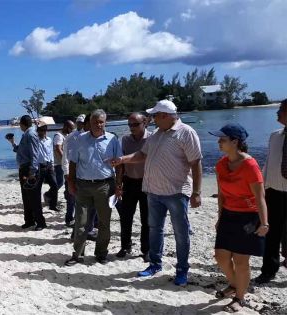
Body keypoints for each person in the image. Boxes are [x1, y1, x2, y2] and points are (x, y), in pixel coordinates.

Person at [111, 99, 202, 286]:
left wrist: (197, 192)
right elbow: (142, 155)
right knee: (155, 230)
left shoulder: (186, 133)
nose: (152, 119)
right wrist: (122, 159)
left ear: (165, 116)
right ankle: (155, 264)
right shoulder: (156, 135)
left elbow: (196, 163)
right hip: (153, 192)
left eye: (154, 116)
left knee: (180, 233)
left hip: (176, 192)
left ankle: (182, 270)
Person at [210, 123, 268, 313]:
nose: (219, 142)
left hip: (248, 218)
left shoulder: (250, 165)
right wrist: (220, 218)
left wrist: (264, 222)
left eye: (223, 139)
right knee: (221, 257)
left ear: (235, 142)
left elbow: (260, 198)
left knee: (241, 261)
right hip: (228, 214)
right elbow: (221, 194)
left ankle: (239, 298)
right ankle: (235, 284)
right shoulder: (221, 164)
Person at [65, 109, 123, 266]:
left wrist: (118, 185)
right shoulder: (80, 139)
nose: (98, 124)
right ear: (89, 123)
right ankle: (77, 255)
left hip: (105, 186)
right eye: (95, 122)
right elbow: (73, 163)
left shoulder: (112, 140)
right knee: (81, 223)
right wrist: (70, 183)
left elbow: (118, 164)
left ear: (105, 122)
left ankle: (101, 253)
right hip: (83, 186)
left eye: (101, 122)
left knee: (104, 223)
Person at [254, 99, 287, 284]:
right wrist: (262, 188)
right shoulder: (275, 136)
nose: (278, 112)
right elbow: (268, 164)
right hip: (274, 191)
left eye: (282, 109)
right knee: (271, 234)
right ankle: (268, 270)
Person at [117, 113, 152, 260]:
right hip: (129, 182)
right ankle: (125, 246)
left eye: (135, 124)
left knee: (147, 219)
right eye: (130, 125)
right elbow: (121, 164)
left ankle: (146, 249)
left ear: (144, 123)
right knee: (126, 217)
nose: (132, 128)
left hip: (147, 183)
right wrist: (118, 183)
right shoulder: (125, 140)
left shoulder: (152, 138)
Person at [7, 115, 46, 230]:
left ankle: (40, 222)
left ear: (22, 124)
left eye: (19, 124)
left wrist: (32, 172)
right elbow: (22, 151)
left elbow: (35, 154)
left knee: (34, 197)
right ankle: (29, 221)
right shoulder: (27, 134)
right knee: (26, 196)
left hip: (29, 169)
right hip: (25, 168)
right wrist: (13, 143)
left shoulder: (31, 134)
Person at [62, 115, 85, 227]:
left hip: (84, 173)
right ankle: (69, 218)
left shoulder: (88, 136)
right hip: (72, 172)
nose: (81, 124)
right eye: (79, 122)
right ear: (77, 123)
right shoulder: (71, 137)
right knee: (71, 197)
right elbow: (65, 156)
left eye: (83, 122)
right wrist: (66, 172)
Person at [37, 123, 59, 211]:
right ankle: (37, 205)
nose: (43, 132)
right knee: (38, 187)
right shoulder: (35, 140)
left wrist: (52, 164)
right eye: (41, 130)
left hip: (49, 165)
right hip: (39, 166)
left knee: (55, 185)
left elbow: (50, 153)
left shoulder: (49, 140)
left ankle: (53, 205)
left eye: (45, 130)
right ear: (38, 130)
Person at [54, 121, 75, 188]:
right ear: (66, 127)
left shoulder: (66, 135)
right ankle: (49, 195)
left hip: (66, 164)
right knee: (59, 183)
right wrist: (65, 159)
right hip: (60, 164)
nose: (72, 131)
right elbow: (58, 148)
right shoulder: (59, 136)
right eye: (71, 129)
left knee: (65, 182)